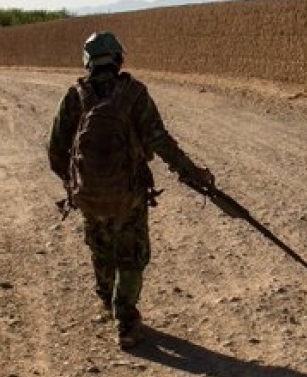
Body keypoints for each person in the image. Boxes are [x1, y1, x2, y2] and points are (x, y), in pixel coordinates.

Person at [48, 31, 214, 348]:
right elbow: (159, 141)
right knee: (132, 257)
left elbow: (55, 149)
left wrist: (75, 183)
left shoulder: (74, 97)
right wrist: (191, 173)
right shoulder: (134, 95)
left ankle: (106, 302)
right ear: (118, 58)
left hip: (89, 197)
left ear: (88, 62)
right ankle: (125, 321)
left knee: (101, 250)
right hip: (130, 196)